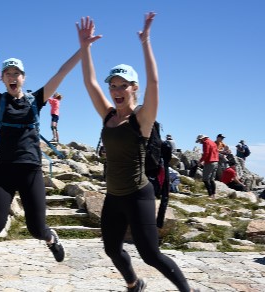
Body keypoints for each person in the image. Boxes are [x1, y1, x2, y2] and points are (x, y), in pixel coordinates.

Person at [77, 13, 199, 292]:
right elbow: (89, 82)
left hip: (138, 194)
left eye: (123, 85)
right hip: (114, 195)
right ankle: (134, 283)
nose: (117, 90)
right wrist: (85, 48)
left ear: (134, 88)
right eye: (113, 85)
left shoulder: (141, 119)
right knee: (111, 249)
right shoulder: (107, 115)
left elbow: (155, 85)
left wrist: (146, 42)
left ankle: (189, 290)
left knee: (150, 254)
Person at [0, 18, 80, 263]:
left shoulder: (36, 99)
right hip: (5, 170)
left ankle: (52, 239)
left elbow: (61, 72)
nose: (11, 76)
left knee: (37, 229)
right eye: (7, 73)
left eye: (16, 73)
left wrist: (83, 48)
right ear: (4, 77)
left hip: (31, 170)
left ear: (23, 77)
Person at [196, 134, 219, 199]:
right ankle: (214, 194)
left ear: (202, 139)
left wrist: (200, 161)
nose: (200, 142)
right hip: (216, 161)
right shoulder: (212, 142)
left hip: (210, 162)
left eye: (199, 141)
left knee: (205, 179)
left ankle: (210, 194)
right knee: (212, 179)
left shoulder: (205, 142)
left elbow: (206, 153)